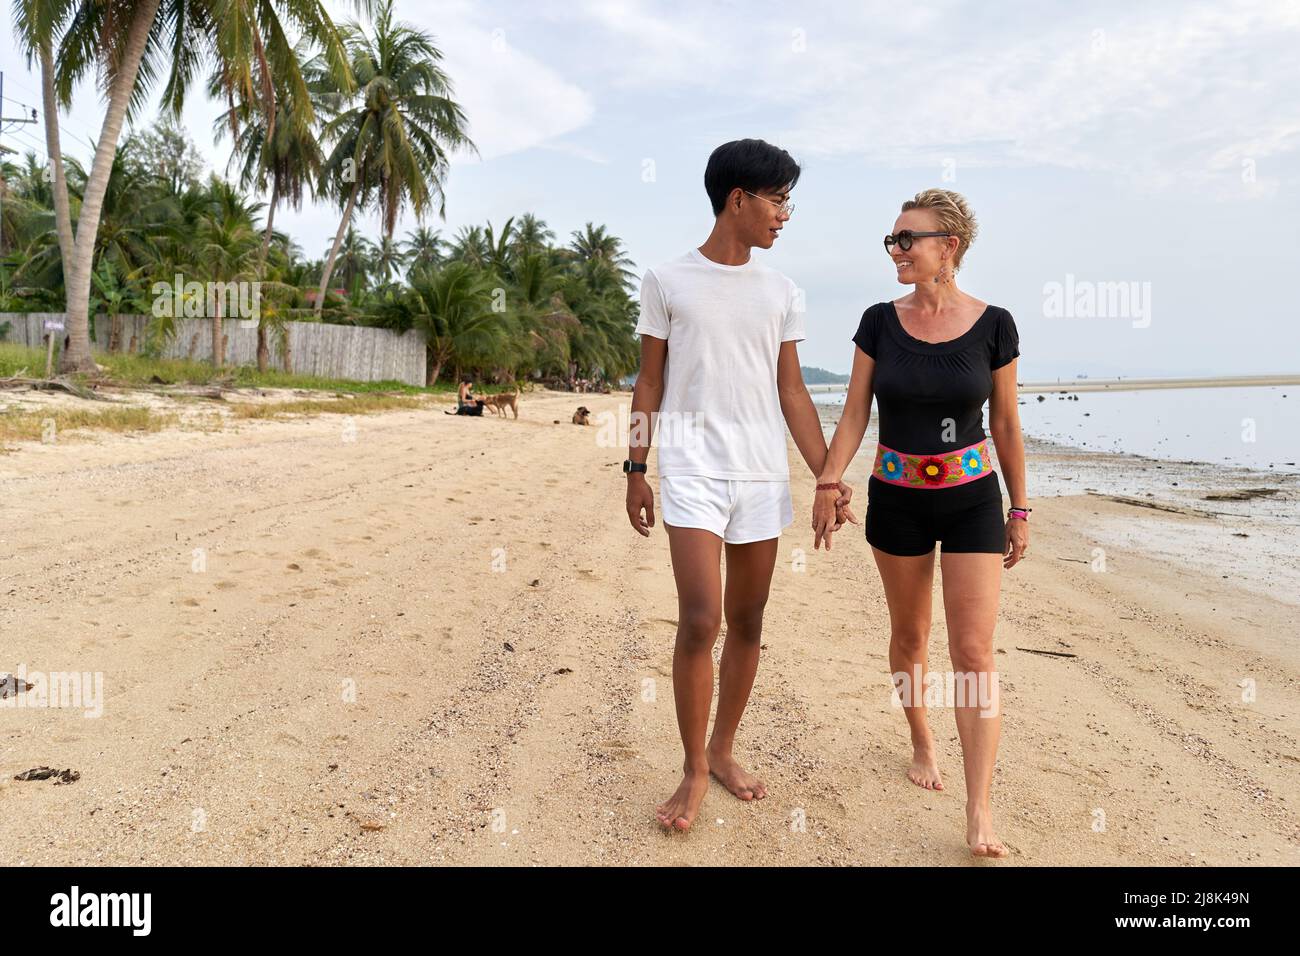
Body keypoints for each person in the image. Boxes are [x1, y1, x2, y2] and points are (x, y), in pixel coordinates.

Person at [624, 138, 855, 832]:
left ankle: (723, 749)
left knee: (749, 622)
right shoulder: (667, 280)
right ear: (738, 199)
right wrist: (636, 467)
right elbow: (650, 380)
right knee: (702, 618)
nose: (785, 215)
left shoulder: (783, 292)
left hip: (760, 473)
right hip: (692, 468)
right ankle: (694, 768)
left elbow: (791, 390)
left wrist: (827, 473)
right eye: (778, 200)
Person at [812, 188, 1028, 858]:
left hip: (971, 501)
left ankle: (979, 809)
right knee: (910, 637)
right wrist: (827, 477)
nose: (897, 250)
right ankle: (920, 737)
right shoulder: (879, 321)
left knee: (972, 653)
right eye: (893, 240)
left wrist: (1019, 507)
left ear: (949, 247)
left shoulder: (995, 325)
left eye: (909, 239)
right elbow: (853, 414)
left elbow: (1007, 424)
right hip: (898, 498)